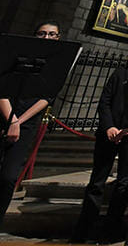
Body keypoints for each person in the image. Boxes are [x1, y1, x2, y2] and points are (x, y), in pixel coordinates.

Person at [71, 37, 128, 243]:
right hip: (109, 132)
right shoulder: (120, 72)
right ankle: (85, 228)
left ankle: (111, 228)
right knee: (97, 180)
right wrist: (110, 127)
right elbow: (104, 101)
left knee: (124, 182)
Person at [0, 21, 60, 225]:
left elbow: (48, 96)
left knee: (9, 177)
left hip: (25, 124)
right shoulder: (16, 55)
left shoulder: (58, 63)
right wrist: (11, 120)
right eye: (42, 34)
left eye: (52, 35)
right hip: (6, 116)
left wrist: (19, 122)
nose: (47, 38)